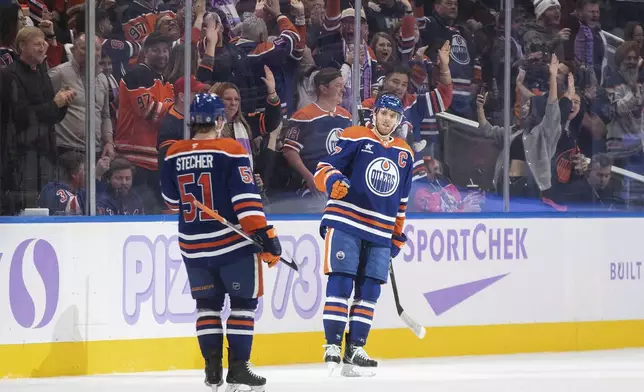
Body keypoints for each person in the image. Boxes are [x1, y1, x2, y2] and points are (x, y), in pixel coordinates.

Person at [160, 93, 282, 391]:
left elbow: (170, 199)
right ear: (219, 120)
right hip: (232, 244)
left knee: (207, 306)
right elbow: (246, 200)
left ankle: (212, 372)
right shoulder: (231, 149)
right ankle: (239, 370)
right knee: (242, 304)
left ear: (191, 122)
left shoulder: (173, 152)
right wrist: (266, 237)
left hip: (193, 245)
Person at [314, 93, 413, 376]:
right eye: (383, 114)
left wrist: (396, 234)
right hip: (347, 222)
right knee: (342, 281)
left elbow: (402, 201)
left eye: (393, 116)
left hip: (381, 231)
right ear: (375, 114)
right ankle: (332, 344)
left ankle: (354, 350)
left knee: (369, 290)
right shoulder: (356, 135)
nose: (387, 120)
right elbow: (324, 168)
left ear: (398, 120)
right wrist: (334, 181)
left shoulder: (405, 152)